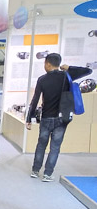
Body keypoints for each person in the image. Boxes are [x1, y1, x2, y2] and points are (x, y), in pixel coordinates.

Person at [24, 53, 92, 181]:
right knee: (55, 147)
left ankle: (35, 170)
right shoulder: (66, 76)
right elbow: (88, 71)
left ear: (48, 64)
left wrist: (29, 118)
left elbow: (35, 100)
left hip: (46, 118)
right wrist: (69, 68)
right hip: (62, 118)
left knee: (41, 145)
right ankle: (47, 174)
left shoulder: (42, 79)